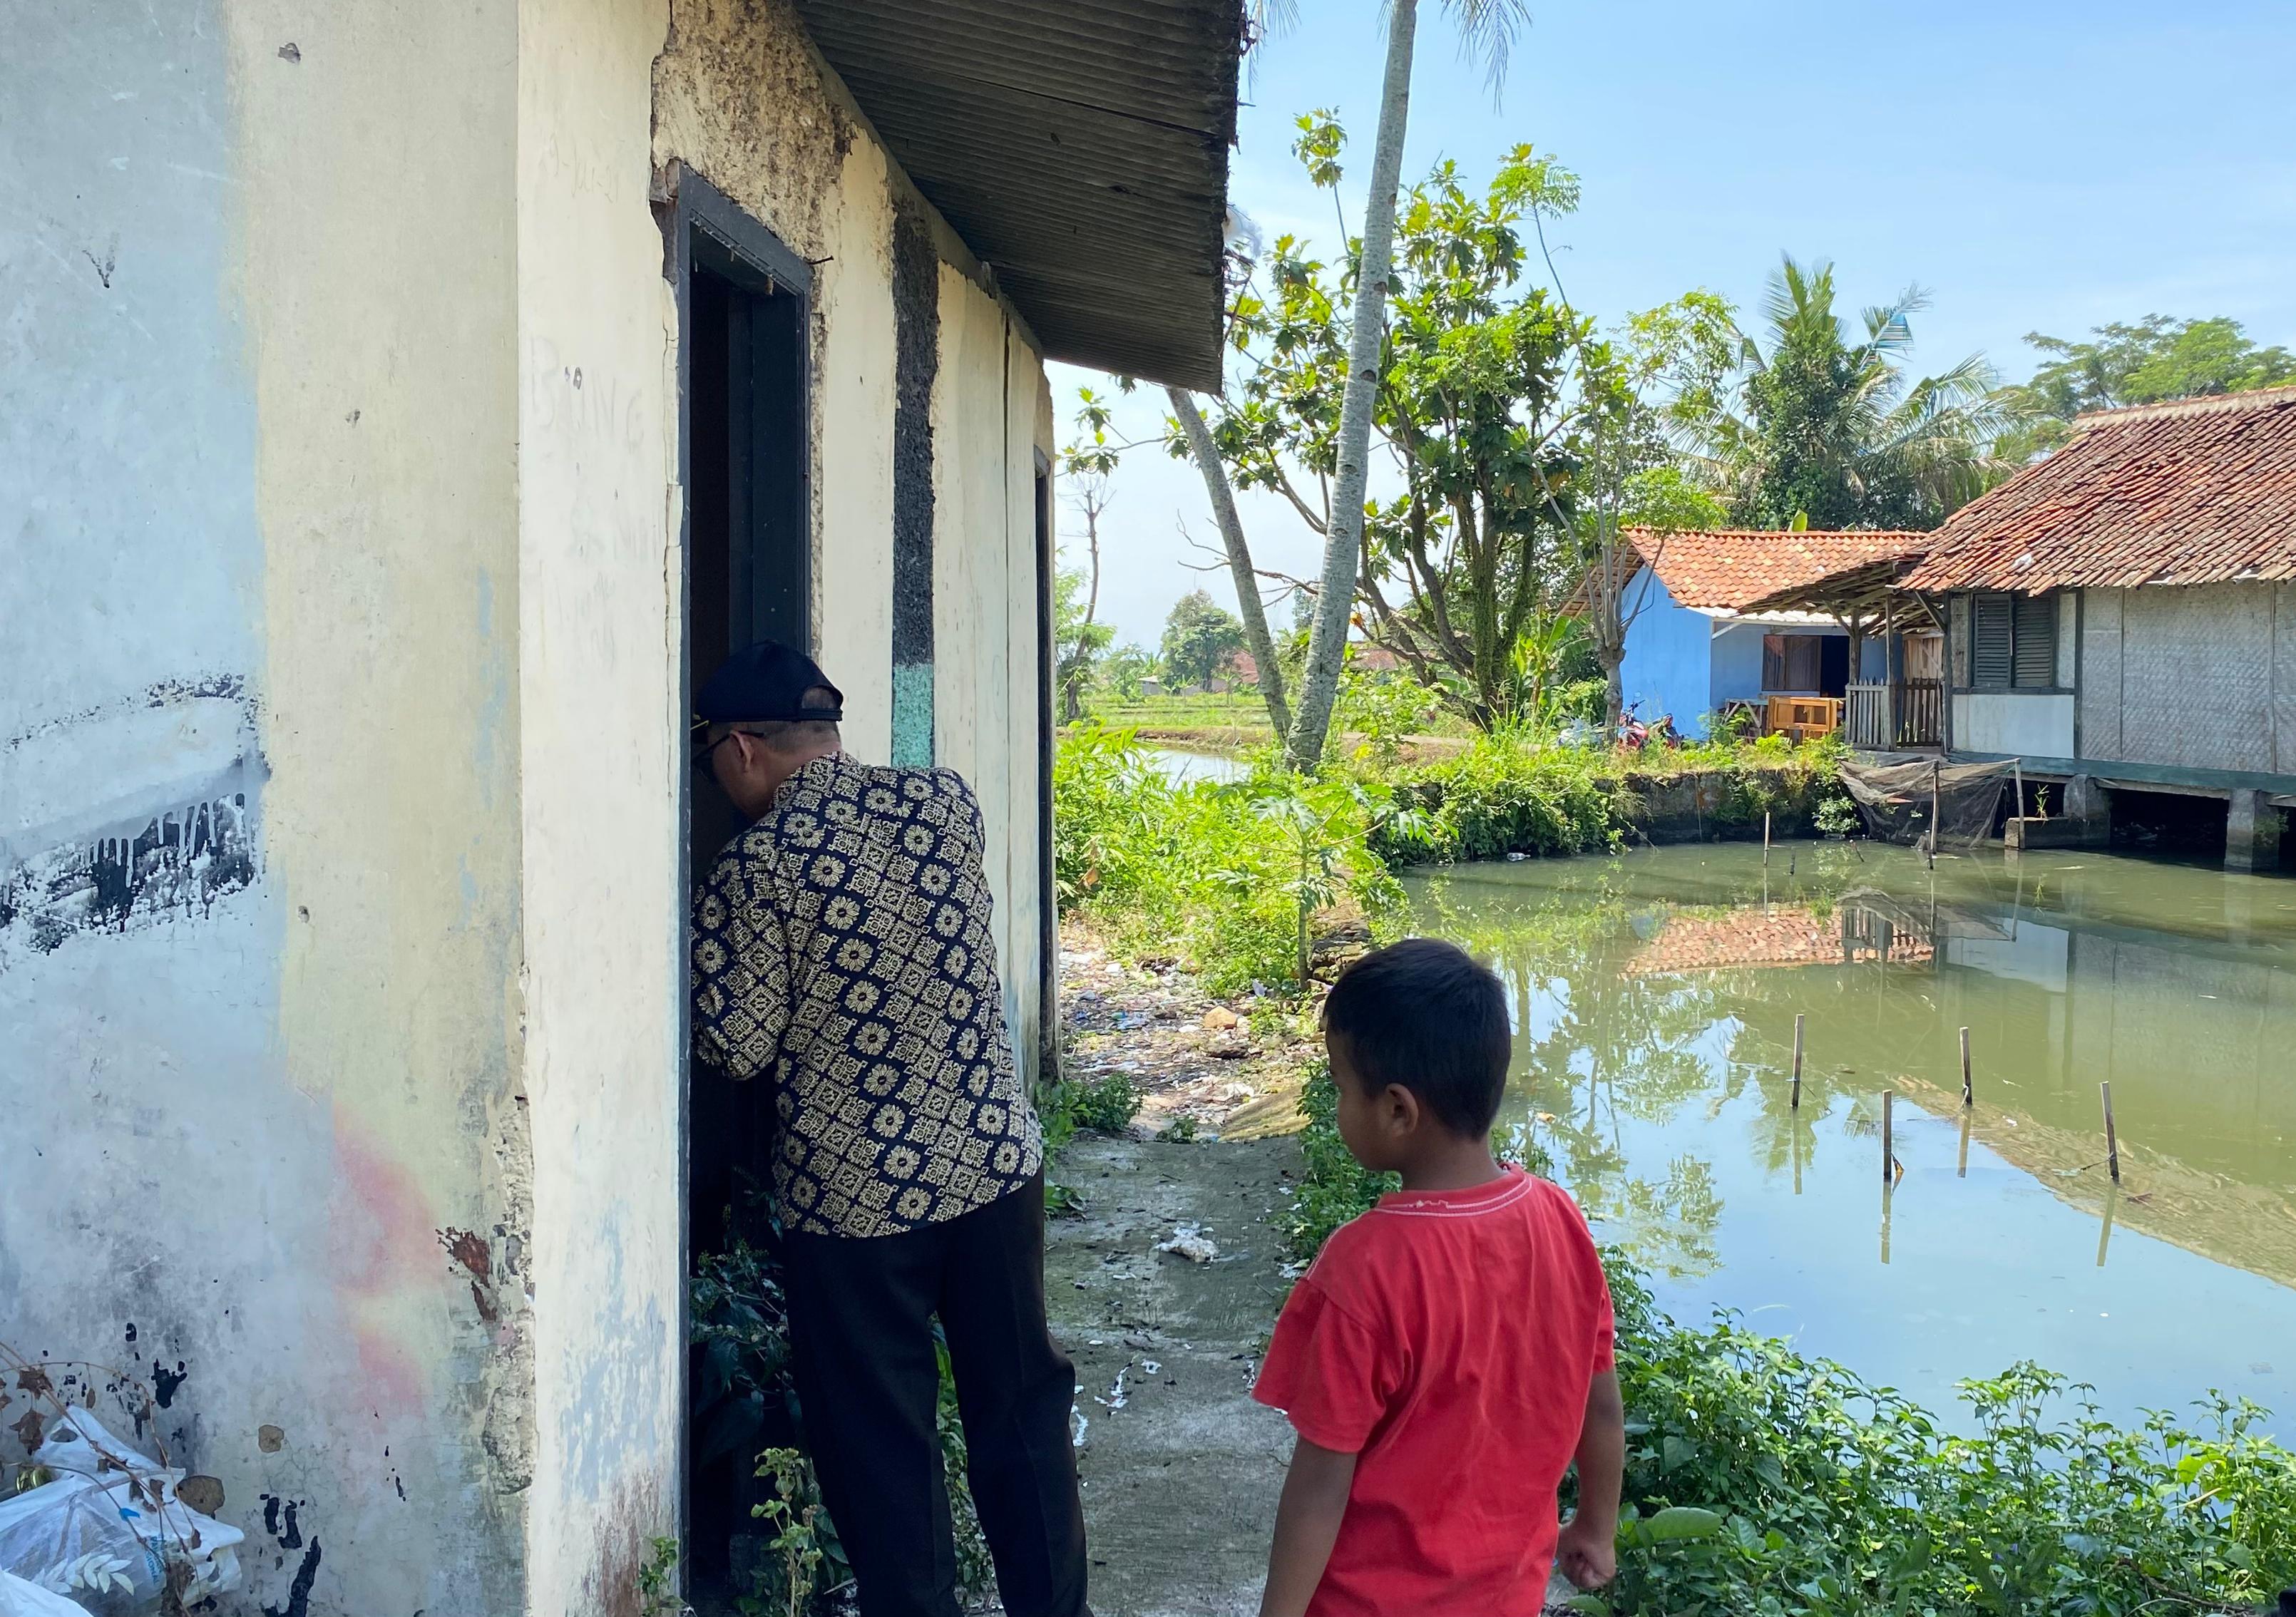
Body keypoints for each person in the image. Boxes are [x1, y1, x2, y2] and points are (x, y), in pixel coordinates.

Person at [689, 641, 1090, 1617]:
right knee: (1021, 1411)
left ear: (740, 749)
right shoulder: (943, 802)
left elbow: (739, 1046)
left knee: (882, 1444)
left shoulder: (759, 866)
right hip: (993, 1165)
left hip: (859, 1206)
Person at [1250, 938, 1624, 1617]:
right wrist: (1597, 1526)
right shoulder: (1560, 1220)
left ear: (1398, 1110)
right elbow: (1600, 1402)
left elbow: (1320, 1487)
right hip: (1507, 1596)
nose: (1336, 1106)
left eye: (1339, 1088)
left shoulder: (1365, 1269)